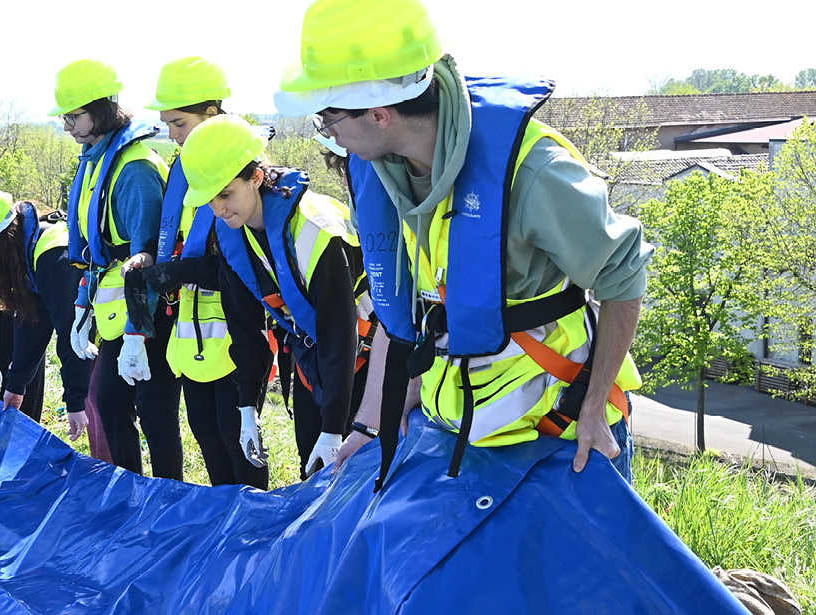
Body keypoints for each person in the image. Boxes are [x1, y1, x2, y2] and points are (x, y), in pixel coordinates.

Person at [275, 0, 649, 482]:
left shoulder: (532, 173)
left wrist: (595, 406)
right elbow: (407, 309)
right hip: (464, 431)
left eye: (328, 119)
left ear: (379, 114)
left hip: (558, 435)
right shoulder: (391, 176)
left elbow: (624, 274)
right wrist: (370, 425)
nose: (326, 134)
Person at [170, 115, 378, 482]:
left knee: (357, 474)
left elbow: (340, 336)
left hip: (365, 356)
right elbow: (244, 327)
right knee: (309, 470)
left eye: (226, 194)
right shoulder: (235, 234)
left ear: (256, 176)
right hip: (309, 354)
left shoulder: (317, 232)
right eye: (210, 200)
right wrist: (247, 409)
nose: (219, 209)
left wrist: (333, 429)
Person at [50, 59, 183, 479]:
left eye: (74, 117)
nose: (68, 126)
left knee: (155, 410)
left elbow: (146, 259)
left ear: (102, 110)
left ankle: (167, 497)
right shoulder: (95, 160)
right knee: (109, 402)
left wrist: (138, 333)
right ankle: (130, 492)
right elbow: (97, 249)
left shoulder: (135, 169)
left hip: (148, 310)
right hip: (114, 307)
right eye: (64, 118)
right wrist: (81, 309)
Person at [141, 56, 267, 488]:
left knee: (237, 442)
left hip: (237, 333)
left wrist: (185, 270)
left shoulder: (242, 168)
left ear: (211, 114)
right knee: (207, 435)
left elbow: (252, 267)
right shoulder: (184, 168)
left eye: (178, 124)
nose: (171, 136)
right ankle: (224, 531)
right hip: (192, 333)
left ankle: (254, 533)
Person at [0, 186, 91, 436]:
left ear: (2, 239)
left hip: (113, 330)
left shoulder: (52, 258)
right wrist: (17, 384)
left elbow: (72, 332)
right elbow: (31, 321)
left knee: (104, 407)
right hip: (88, 333)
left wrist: (75, 401)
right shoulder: (26, 249)